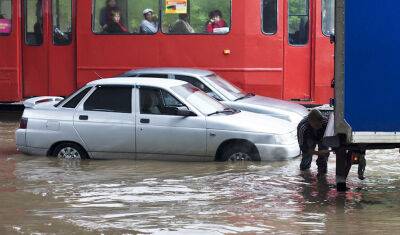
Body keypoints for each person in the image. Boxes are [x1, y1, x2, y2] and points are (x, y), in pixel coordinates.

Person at [297, 109, 331, 175]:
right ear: (310, 122)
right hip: (309, 137)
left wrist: (327, 151)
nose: (319, 126)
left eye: (320, 124)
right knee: (306, 156)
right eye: (317, 125)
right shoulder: (302, 128)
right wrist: (317, 153)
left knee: (323, 157)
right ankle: (305, 173)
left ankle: (322, 174)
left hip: (322, 136)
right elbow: (303, 148)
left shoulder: (326, 123)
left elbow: (332, 139)